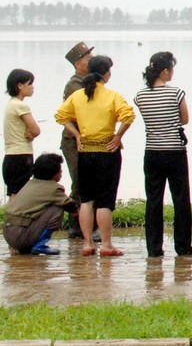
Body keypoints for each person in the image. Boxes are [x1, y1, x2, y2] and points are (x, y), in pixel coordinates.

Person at [54, 55, 135, 257]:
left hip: (85, 152)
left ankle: (88, 243)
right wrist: (118, 136)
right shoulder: (112, 96)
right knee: (105, 201)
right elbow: (128, 116)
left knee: (87, 199)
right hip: (108, 151)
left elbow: (61, 116)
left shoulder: (78, 96)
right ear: (106, 74)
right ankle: (106, 244)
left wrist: (77, 135)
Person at [134, 51, 192, 258]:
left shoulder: (140, 96)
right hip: (175, 151)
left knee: (153, 201)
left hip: (152, 151)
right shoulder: (176, 92)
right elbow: (185, 119)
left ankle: (154, 248)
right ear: (165, 71)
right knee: (181, 199)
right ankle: (183, 247)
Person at [2, 153, 75, 256]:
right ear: (54, 173)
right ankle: (39, 245)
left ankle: (28, 245)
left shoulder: (30, 183)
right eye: (60, 169)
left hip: (8, 233)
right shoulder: (54, 188)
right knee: (57, 208)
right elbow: (72, 208)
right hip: (19, 235)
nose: (62, 171)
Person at [60, 41, 94, 238]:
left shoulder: (88, 81)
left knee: (86, 181)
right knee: (79, 181)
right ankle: (75, 223)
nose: (90, 60)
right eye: (87, 58)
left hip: (86, 139)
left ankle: (82, 223)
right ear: (77, 63)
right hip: (73, 140)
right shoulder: (75, 84)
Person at [4, 69, 40, 197]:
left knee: (14, 195)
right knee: (20, 196)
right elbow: (36, 130)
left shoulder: (11, 104)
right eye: (29, 84)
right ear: (19, 86)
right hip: (21, 155)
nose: (32, 87)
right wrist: (32, 134)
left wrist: (29, 133)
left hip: (10, 155)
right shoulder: (21, 106)